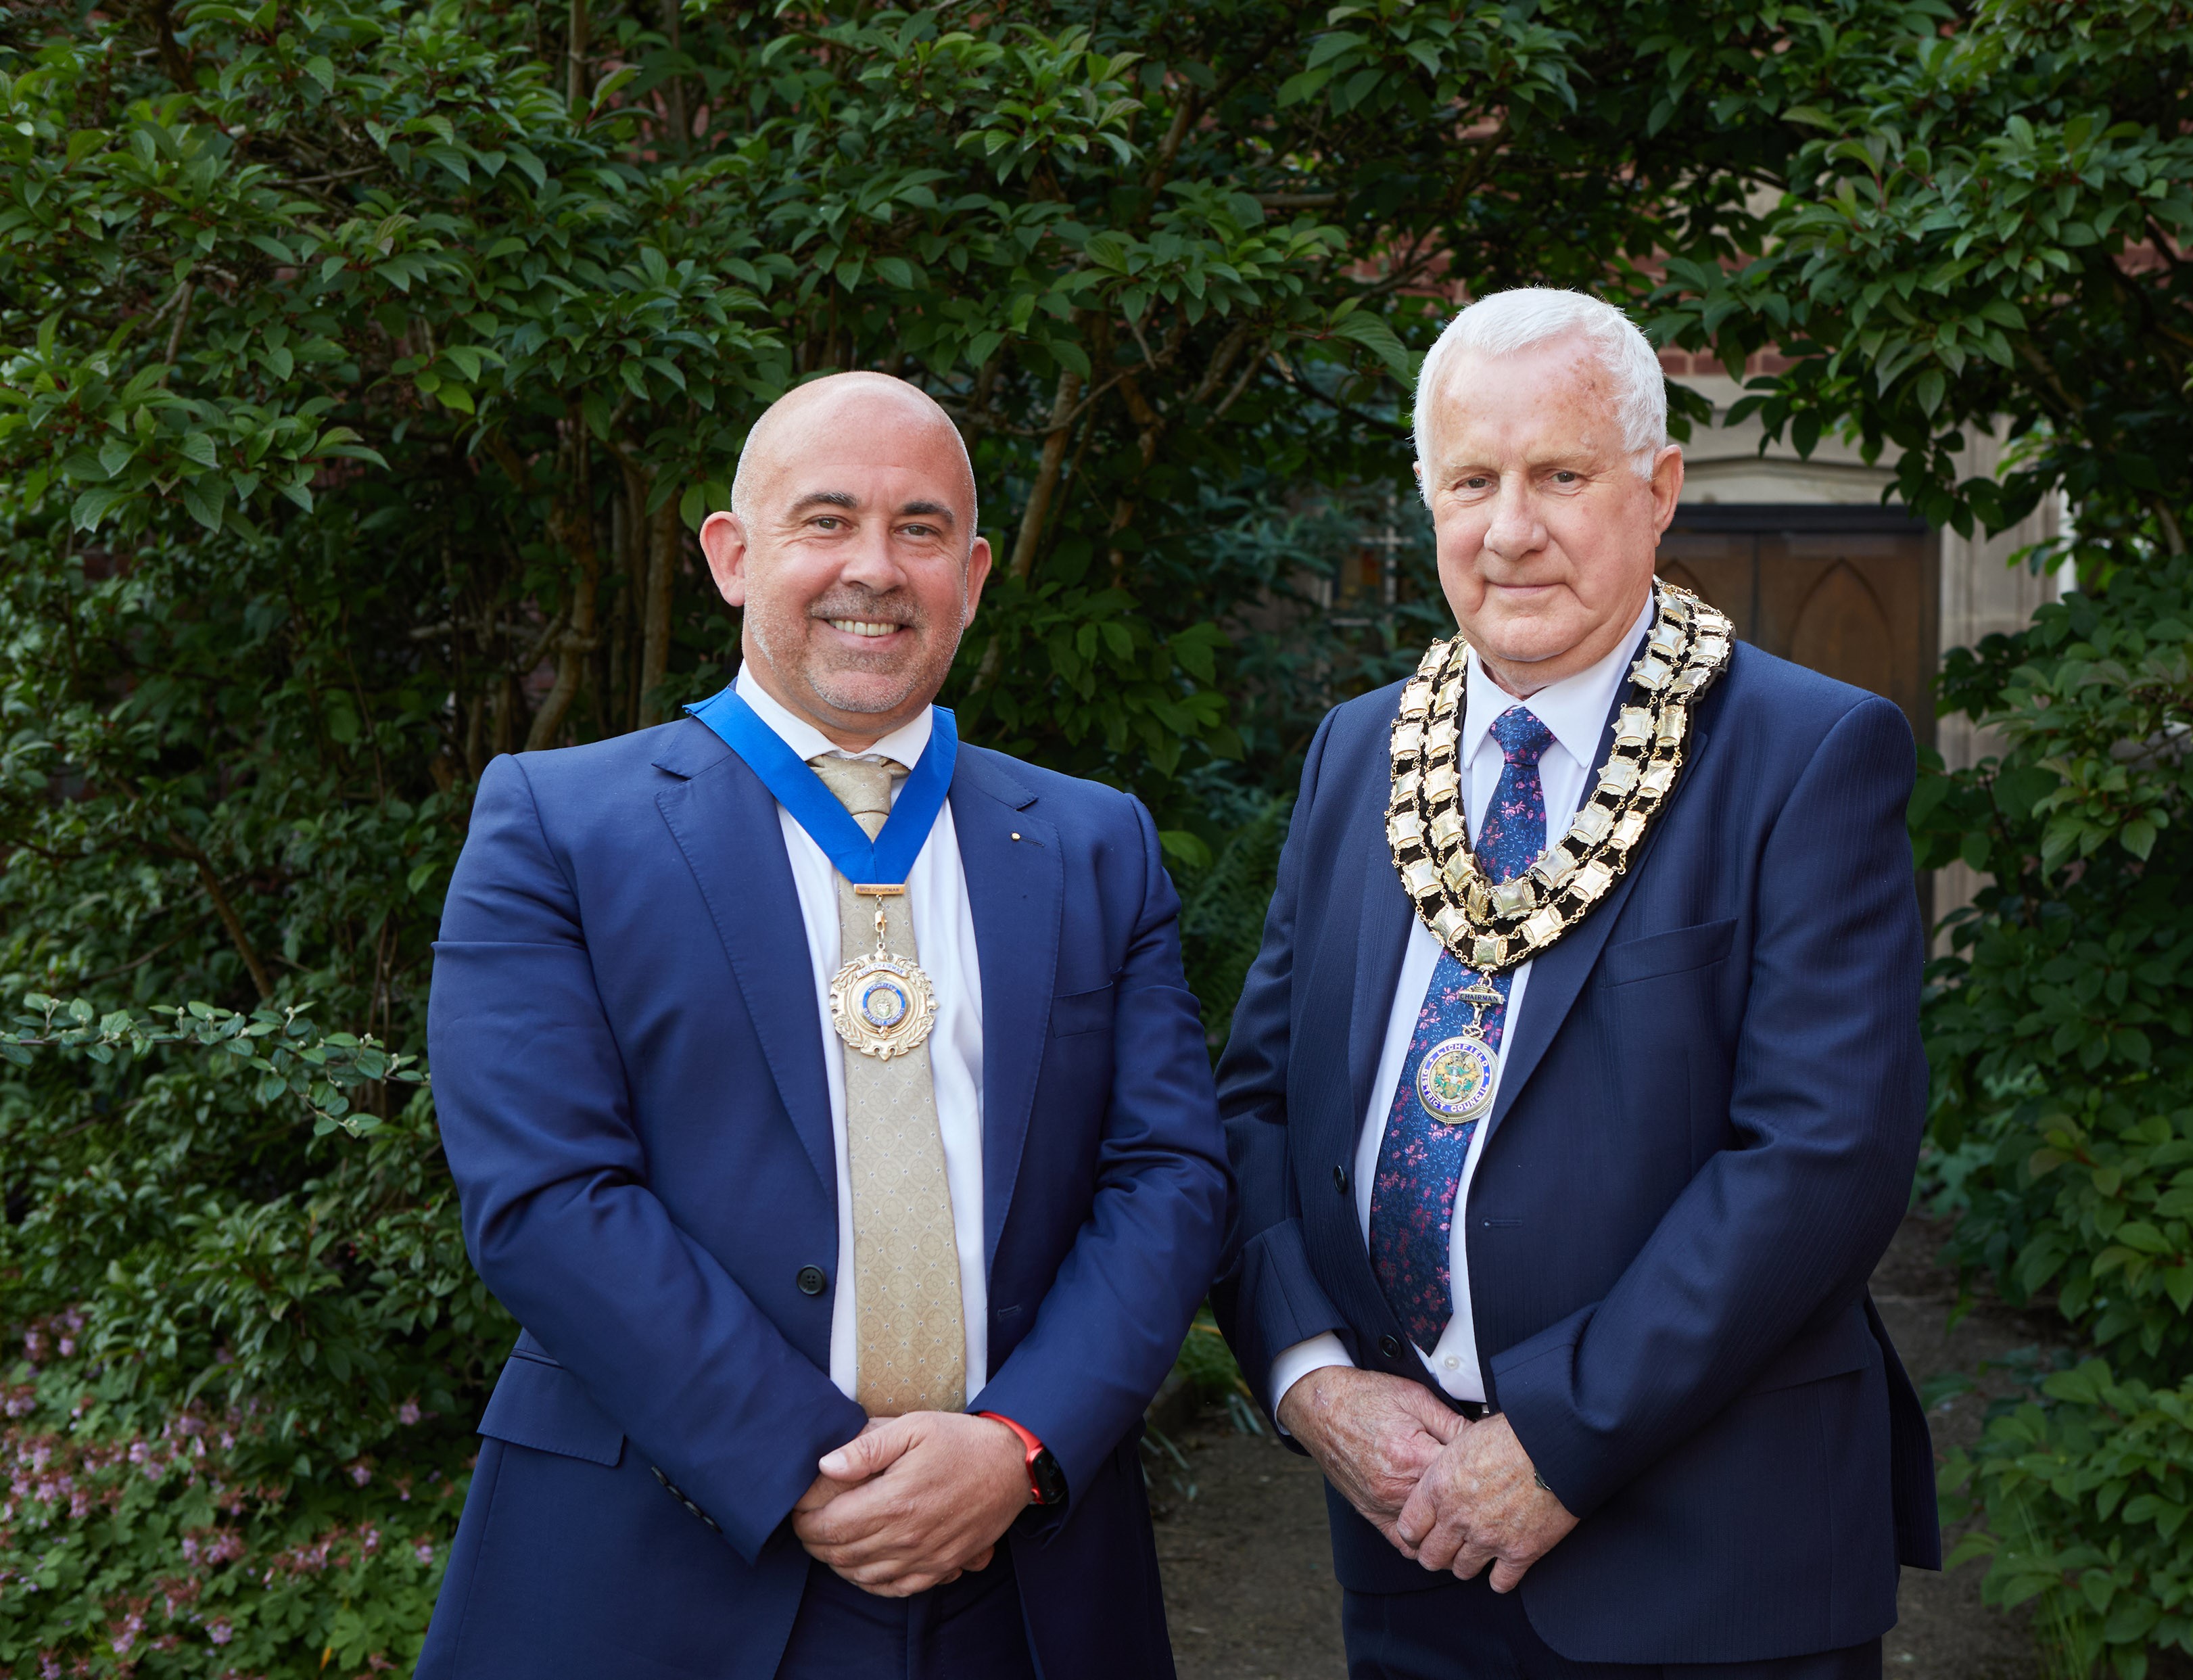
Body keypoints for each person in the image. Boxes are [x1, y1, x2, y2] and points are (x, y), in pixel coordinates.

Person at [417, 372, 1225, 1680]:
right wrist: (799, 1463)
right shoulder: (558, 827)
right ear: (734, 558)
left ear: (970, 573)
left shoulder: (1092, 843)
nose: (875, 569)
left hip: (1024, 1576)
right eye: (827, 521)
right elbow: (546, 1193)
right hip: (664, 1558)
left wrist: (1019, 1446)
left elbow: (1170, 1178)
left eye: (918, 530)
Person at [1212, 288, 1939, 1679]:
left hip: (1712, 1566)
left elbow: (1821, 1155)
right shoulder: (1358, 753)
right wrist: (1310, 1384)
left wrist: (1558, 1437)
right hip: (1411, 1542)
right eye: (1473, 481)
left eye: (1561, 475)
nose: (1512, 529)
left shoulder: (1806, 754)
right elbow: (1254, 1104)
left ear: (1659, 491)